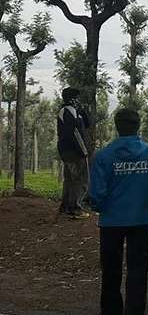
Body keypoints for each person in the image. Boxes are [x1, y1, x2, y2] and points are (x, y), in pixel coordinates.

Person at [89, 108, 148, 315]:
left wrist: (101, 207)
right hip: (142, 219)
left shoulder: (104, 156)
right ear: (138, 125)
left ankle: (111, 313)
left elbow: (97, 192)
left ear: (117, 126)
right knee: (138, 268)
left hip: (111, 221)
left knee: (111, 268)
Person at [57, 87, 91, 218]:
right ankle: (75, 208)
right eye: (77, 97)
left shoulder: (73, 111)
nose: (78, 100)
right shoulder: (67, 111)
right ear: (72, 98)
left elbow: (86, 125)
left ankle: (66, 207)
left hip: (69, 150)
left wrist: (82, 111)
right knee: (81, 179)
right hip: (73, 151)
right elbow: (75, 133)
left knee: (70, 179)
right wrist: (83, 151)